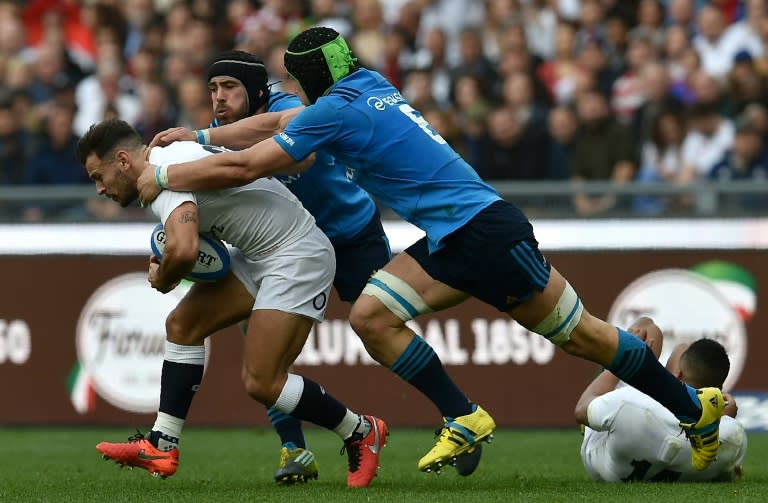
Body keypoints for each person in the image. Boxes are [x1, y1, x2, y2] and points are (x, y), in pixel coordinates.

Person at [137, 26, 726, 473]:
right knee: (372, 314)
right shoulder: (370, 85)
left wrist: (164, 177)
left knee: (584, 337)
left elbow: (247, 162)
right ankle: (464, 416)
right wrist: (201, 137)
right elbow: (266, 127)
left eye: (295, 81)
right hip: (452, 236)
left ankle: (691, 410)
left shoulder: (333, 113)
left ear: (309, 80)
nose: (290, 91)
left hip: (488, 233)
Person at [76, 118, 388, 489]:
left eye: (99, 176)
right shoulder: (170, 159)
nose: (99, 189)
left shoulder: (164, 179)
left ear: (124, 161)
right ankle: (162, 443)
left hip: (297, 254)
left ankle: (361, 430)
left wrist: (166, 275)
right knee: (182, 326)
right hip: (259, 254)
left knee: (262, 382)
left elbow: (185, 247)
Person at [203, 49, 393, 484]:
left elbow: (299, 155)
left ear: (256, 90)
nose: (219, 97)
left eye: (229, 87)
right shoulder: (218, 132)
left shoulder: (287, 106)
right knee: (263, 357)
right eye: (213, 88)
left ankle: (456, 415)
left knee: (384, 329)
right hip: (287, 248)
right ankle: (294, 449)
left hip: (350, 235)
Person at [576, 317, 747, 482]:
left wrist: (623, 360)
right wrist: (724, 417)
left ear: (677, 374)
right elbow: (728, 467)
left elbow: (581, 410)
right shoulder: (733, 434)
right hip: (671, 447)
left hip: (601, 458)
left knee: (649, 330)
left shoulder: (630, 401)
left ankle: (620, 362)